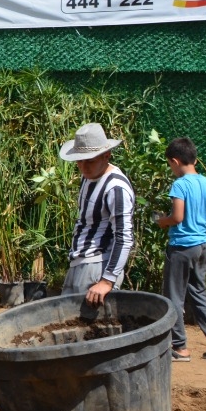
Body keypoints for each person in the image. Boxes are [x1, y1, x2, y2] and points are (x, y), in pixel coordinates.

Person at [152, 137, 206, 362]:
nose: (171, 169)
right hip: (203, 245)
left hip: (182, 246)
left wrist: (162, 221)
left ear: (175, 161)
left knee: (174, 296)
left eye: (170, 164)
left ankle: (180, 348)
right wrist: (198, 220)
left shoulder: (180, 184)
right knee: (199, 293)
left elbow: (177, 217)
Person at [58, 122, 135, 304]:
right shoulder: (88, 178)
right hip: (79, 264)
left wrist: (107, 280)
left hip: (98, 267)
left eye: (90, 160)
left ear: (106, 155)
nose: (83, 166)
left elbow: (124, 237)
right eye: (79, 160)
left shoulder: (116, 187)